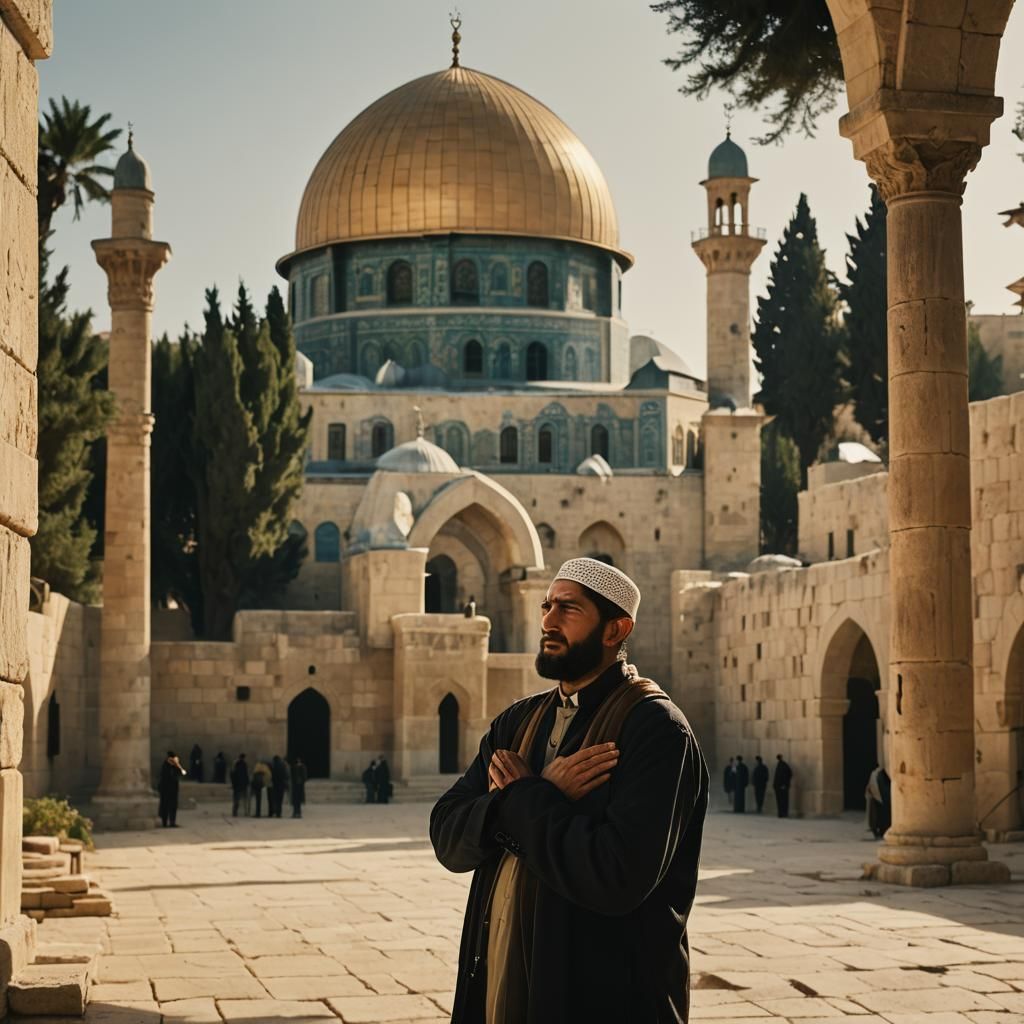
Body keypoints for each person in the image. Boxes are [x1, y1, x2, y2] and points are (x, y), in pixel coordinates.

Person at [431, 557, 708, 1024]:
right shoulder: (518, 721)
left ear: (615, 629)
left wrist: (524, 799)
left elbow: (616, 877)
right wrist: (531, 795)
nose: (548, 621)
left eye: (569, 609)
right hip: (499, 979)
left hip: (604, 997)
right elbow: (447, 836)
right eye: (547, 606)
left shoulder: (655, 730)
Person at [158, 750, 186, 827]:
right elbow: (165, 777)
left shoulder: (174, 766)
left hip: (172, 790)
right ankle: (165, 823)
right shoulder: (165, 766)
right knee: (165, 806)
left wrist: (177, 765)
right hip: (166, 789)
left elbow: (182, 773)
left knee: (172, 806)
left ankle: (172, 822)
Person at [230, 753, 249, 817]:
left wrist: (233, 783)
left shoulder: (236, 764)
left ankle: (235, 812)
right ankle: (245, 813)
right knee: (243, 799)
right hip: (242, 785)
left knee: (236, 800)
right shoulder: (243, 764)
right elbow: (246, 775)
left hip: (237, 785)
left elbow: (232, 774)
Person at [773, 754, 793, 818]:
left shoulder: (783, 765)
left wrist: (785, 784)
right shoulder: (781, 765)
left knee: (782, 800)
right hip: (780, 786)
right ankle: (781, 813)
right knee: (781, 800)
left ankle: (783, 813)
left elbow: (788, 774)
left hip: (782, 786)